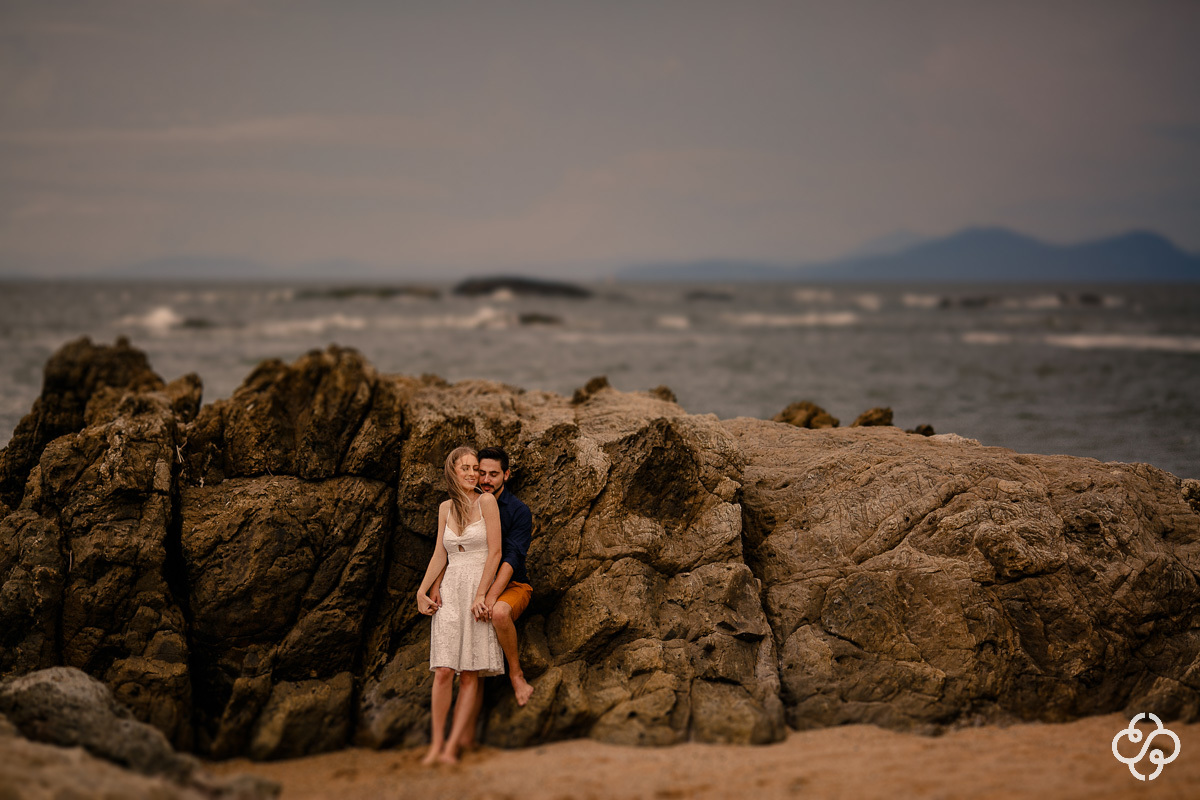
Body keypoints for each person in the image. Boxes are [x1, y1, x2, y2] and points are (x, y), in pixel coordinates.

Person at [415, 446, 504, 765]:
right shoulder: (445, 508)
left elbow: (495, 552)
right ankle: (436, 744)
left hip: (476, 589)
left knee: (468, 674)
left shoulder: (487, 502)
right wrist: (423, 590)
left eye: (475, 468)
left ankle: (451, 747)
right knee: (442, 670)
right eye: (464, 468)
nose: (471, 473)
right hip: (451, 589)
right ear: (452, 472)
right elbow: (441, 553)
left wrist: (482, 595)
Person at [474, 446, 534, 705]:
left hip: (513, 584)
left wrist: (490, 596)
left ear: (506, 475)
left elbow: (511, 557)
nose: (486, 480)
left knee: (497, 612)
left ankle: (516, 674)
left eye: (494, 474)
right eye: (482, 473)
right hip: (475, 582)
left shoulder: (519, 511)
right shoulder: (467, 505)